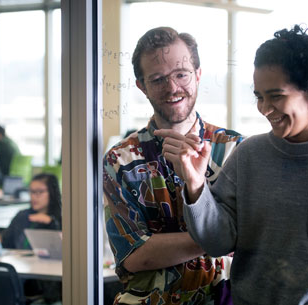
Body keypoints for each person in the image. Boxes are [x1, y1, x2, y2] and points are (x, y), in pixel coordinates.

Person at [156, 25, 308, 305]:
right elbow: (217, 243)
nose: (263, 108)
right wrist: (195, 184)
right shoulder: (249, 154)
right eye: (259, 96)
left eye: (276, 96)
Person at [102, 27, 243, 304]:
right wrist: (224, 236)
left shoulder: (235, 150)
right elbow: (134, 255)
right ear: (141, 85)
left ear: (198, 74)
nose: (172, 87)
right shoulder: (121, 160)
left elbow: (257, 235)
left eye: (181, 74)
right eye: (158, 79)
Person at [1, 173, 62, 303]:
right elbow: (7, 243)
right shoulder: (23, 216)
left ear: (51, 192)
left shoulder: (62, 218)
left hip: (44, 280)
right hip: (19, 270)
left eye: (39, 192)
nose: (34, 197)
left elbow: (60, 253)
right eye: (31, 192)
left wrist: (51, 223)